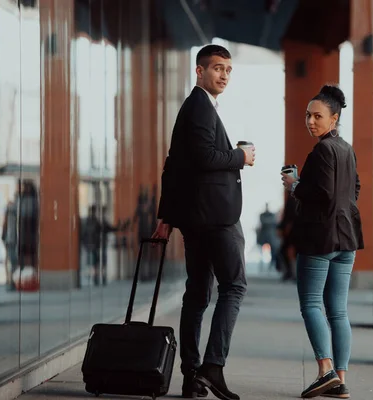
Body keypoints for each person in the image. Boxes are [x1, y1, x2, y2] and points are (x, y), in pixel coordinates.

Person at [152, 44, 255, 400]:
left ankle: (192, 376)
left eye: (228, 69)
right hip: (215, 217)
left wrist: (165, 216)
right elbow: (204, 157)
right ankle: (211, 367)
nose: (224, 75)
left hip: (197, 217)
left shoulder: (199, 108)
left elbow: (173, 165)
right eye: (217, 69)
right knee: (234, 286)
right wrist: (240, 156)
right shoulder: (198, 106)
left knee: (197, 294)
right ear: (199, 71)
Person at [281, 84, 363, 399]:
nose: (311, 121)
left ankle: (325, 369)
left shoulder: (322, 150)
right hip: (347, 238)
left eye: (318, 116)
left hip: (320, 238)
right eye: (308, 115)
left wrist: (294, 184)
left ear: (334, 118)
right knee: (338, 311)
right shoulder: (346, 148)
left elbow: (321, 194)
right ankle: (339, 380)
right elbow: (353, 189)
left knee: (312, 304)